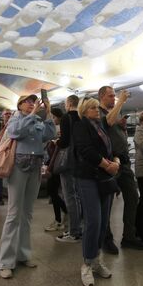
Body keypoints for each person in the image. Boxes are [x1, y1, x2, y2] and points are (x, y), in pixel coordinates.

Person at [0, 94, 56, 279]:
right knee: (14, 213)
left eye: (33, 101)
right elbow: (15, 133)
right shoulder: (16, 118)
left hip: (35, 167)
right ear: (20, 105)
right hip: (19, 167)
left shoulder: (39, 119)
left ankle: (23, 254)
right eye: (28, 102)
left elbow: (50, 135)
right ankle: (5, 261)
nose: (32, 104)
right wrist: (31, 116)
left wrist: (48, 114)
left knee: (28, 213)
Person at [73, 97, 117, 286]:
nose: (96, 110)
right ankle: (87, 263)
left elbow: (110, 149)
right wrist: (107, 165)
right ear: (83, 110)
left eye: (96, 107)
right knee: (94, 220)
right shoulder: (81, 126)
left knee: (103, 221)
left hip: (105, 179)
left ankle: (96, 259)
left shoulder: (101, 127)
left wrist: (116, 162)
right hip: (88, 177)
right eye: (91, 108)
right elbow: (86, 150)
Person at [98, 86, 143, 252]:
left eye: (115, 96)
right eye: (111, 96)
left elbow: (114, 127)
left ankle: (129, 236)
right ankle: (106, 239)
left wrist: (123, 128)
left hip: (124, 162)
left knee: (132, 197)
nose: (113, 99)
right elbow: (108, 122)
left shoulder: (114, 112)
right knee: (108, 203)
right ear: (101, 97)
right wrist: (121, 101)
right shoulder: (98, 112)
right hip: (110, 163)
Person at [56, 94, 82, 243]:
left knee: (69, 196)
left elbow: (65, 141)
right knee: (77, 196)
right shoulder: (82, 117)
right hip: (79, 160)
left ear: (69, 103)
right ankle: (78, 227)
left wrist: (57, 142)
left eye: (66, 103)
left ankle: (74, 231)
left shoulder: (67, 117)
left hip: (68, 161)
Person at [44, 108, 68, 233]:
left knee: (52, 191)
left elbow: (56, 152)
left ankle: (61, 218)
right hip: (57, 165)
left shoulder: (60, 131)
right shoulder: (59, 130)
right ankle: (62, 216)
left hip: (56, 166)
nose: (53, 120)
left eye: (54, 117)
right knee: (53, 191)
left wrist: (49, 167)